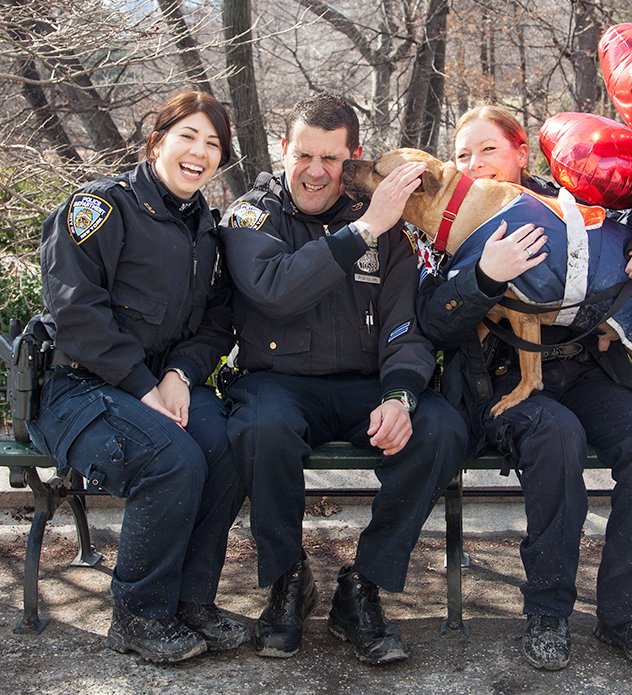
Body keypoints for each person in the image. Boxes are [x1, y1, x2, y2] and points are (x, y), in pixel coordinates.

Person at [417, 104, 632, 669]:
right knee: (556, 437)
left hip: (588, 372)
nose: (476, 164)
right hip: (502, 382)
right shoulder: (446, 220)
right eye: (463, 155)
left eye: (489, 150)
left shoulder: (567, 200)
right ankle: (548, 612)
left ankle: (628, 615)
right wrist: (484, 276)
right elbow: (435, 322)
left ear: (521, 153)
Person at [219, 91, 467, 666]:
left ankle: (364, 588)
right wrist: (363, 232)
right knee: (261, 425)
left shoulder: (385, 222)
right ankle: (287, 579)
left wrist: (401, 394)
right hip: (278, 382)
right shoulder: (251, 215)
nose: (314, 171)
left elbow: (406, 326)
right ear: (283, 150)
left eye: (331, 158)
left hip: (366, 384)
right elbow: (275, 291)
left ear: (352, 156)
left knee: (441, 429)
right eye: (303, 154)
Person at [27, 90, 246, 664]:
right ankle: (139, 615)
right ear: (156, 143)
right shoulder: (101, 207)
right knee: (172, 459)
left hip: (160, 383)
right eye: (188, 137)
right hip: (78, 390)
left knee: (226, 446)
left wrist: (179, 373)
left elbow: (219, 322)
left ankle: (192, 602)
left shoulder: (208, 229)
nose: (199, 153)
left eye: (214, 144)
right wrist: (143, 385)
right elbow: (76, 313)